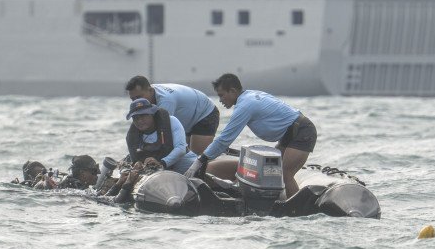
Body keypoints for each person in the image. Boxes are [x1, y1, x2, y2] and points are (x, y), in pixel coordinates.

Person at [185, 73, 317, 198]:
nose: (220, 100)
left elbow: (225, 139)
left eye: (221, 95)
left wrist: (200, 160)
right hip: (289, 134)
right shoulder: (250, 96)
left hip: (302, 131)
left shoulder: (245, 105)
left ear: (232, 91)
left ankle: (296, 210)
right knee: (272, 170)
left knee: (286, 174)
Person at [125, 75, 220, 154]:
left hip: (205, 113)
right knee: (183, 151)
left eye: (139, 97)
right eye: (133, 99)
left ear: (150, 90)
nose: (136, 102)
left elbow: (161, 132)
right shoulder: (149, 92)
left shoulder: (166, 101)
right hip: (187, 117)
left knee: (197, 158)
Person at [125, 98, 198, 175]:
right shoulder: (132, 136)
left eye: (143, 116)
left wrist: (161, 163)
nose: (139, 121)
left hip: (184, 164)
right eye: (135, 118)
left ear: (152, 113)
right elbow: (135, 158)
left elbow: (181, 148)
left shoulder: (171, 121)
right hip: (155, 172)